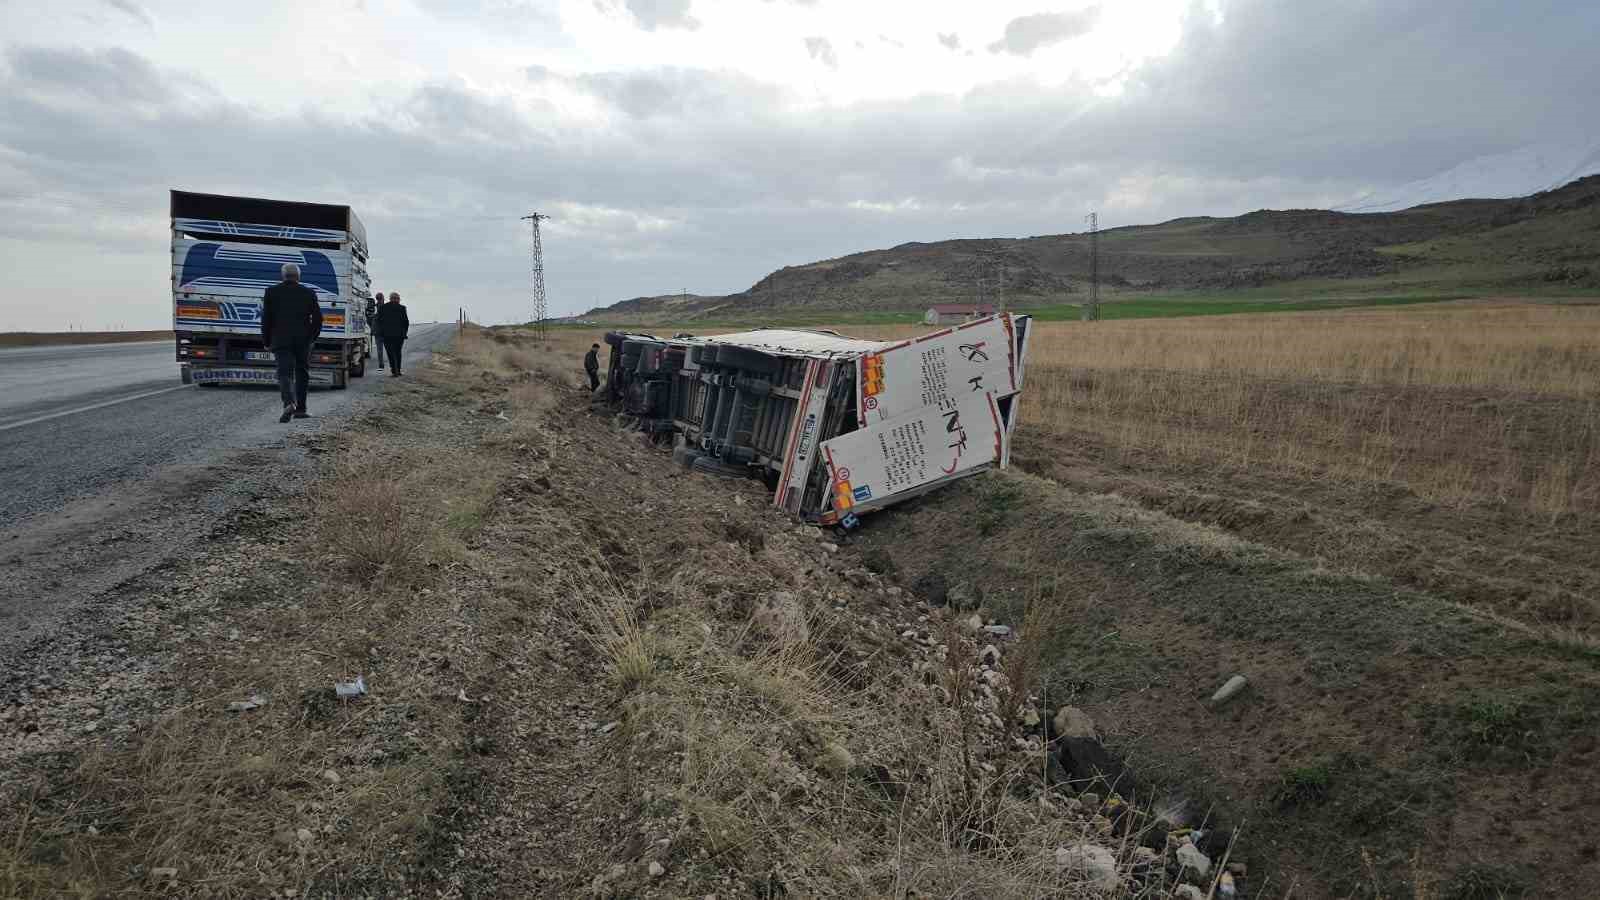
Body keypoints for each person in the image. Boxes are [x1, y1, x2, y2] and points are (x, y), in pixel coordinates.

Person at [261, 262, 323, 423]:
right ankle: (301, 409)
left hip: (280, 340)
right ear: (298, 276)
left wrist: (266, 341)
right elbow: (318, 319)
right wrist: (311, 338)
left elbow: (266, 319)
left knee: (284, 373)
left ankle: (289, 402)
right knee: (302, 372)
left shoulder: (271, 292)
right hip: (302, 341)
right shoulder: (308, 293)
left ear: (283, 276)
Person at [376, 291, 410, 376]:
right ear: (398, 299)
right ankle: (398, 370)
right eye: (398, 299)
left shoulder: (383, 307)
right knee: (398, 352)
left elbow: (379, 321)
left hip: (387, 335)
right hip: (399, 335)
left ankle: (394, 370)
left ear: (390, 299)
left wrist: (381, 332)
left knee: (390, 353)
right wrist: (404, 333)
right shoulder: (402, 308)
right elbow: (406, 322)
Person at [369, 291, 387, 370]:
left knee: (379, 349)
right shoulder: (386, 307)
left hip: (377, 331)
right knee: (389, 348)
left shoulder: (374, 307)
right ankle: (392, 364)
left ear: (376, 299)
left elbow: (371, 318)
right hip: (385, 331)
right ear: (383, 298)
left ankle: (381, 365)